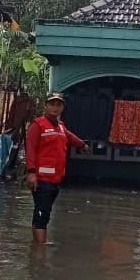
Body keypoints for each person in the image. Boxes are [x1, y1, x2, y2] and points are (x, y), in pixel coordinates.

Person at [25, 92, 89, 244]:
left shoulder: (60, 126)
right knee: (42, 215)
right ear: (46, 106)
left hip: (55, 179)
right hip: (41, 179)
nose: (55, 107)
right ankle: (39, 252)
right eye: (52, 104)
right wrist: (31, 172)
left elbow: (69, 136)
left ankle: (36, 246)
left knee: (43, 213)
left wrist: (82, 144)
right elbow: (30, 149)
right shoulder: (37, 125)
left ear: (62, 108)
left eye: (58, 104)